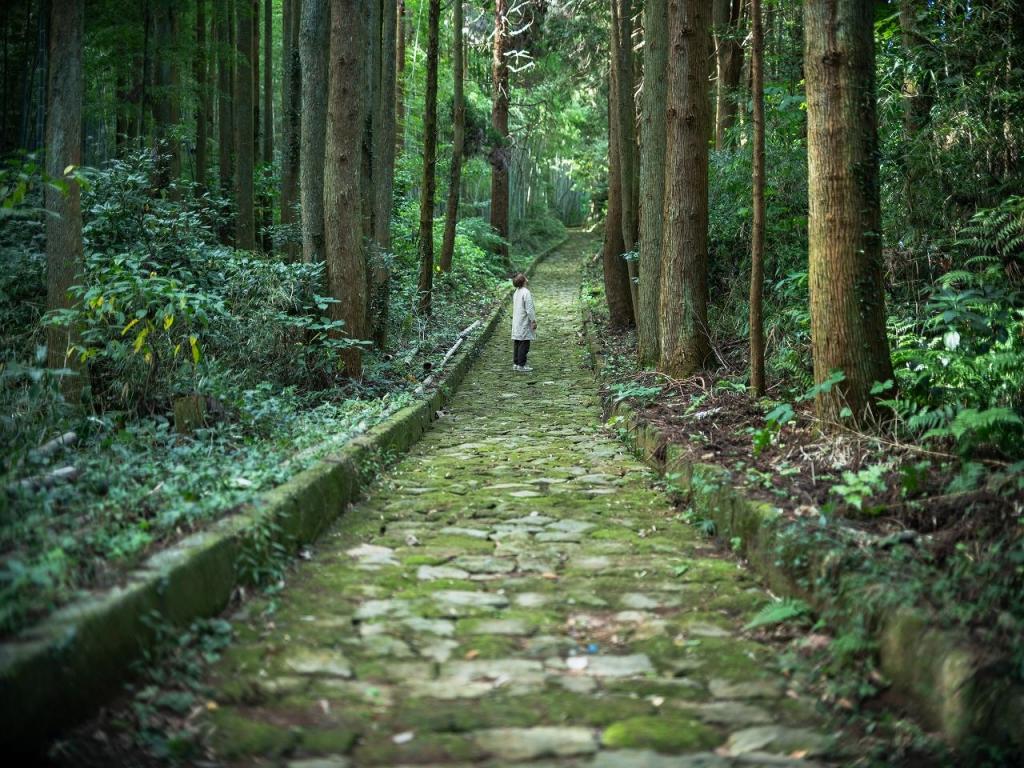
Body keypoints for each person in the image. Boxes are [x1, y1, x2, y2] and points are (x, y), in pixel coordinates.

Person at [511, 272, 537, 372]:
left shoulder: (517, 292)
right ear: (524, 281)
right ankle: (522, 364)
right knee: (524, 343)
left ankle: (516, 363)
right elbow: (529, 309)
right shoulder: (526, 292)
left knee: (517, 342)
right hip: (524, 320)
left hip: (517, 320)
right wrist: (533, 321)